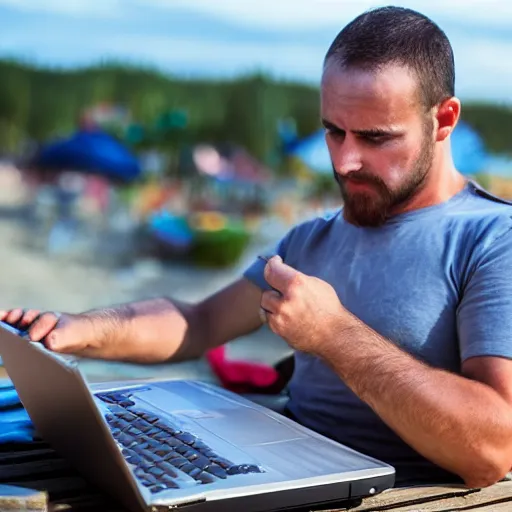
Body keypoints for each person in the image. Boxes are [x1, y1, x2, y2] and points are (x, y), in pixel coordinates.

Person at [3, 6, 512, 489]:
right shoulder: (315, 237)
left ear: (444, 119)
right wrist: (82, 329)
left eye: (376, 138)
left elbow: (492, 450)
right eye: (334, 132)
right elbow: (200, 323)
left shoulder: (492, 239)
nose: (344, 161)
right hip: (280, 468)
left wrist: (333, 334)